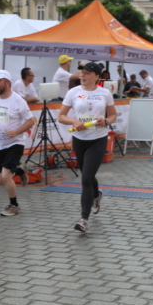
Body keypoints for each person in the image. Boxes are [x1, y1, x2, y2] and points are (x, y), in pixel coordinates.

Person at [60, 62, 117, 232]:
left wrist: (105, 121)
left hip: (98, 139)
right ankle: (96, 194)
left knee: (85, 178)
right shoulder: (73, 92)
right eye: (82, 73)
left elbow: (113, 115)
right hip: (79, 139)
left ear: (97, 76)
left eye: (87, 73)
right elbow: (61, 116)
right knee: (88, 175)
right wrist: (74, 121)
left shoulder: (105, 93)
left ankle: (84, 219)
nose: (83, 76)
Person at [0, 70, 36, 217]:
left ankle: (14, 205)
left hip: (15, 143)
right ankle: (20, 171)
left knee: (6, 177)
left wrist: (17, 131)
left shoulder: (18, 100)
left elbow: (31, 121)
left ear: (8, 83)